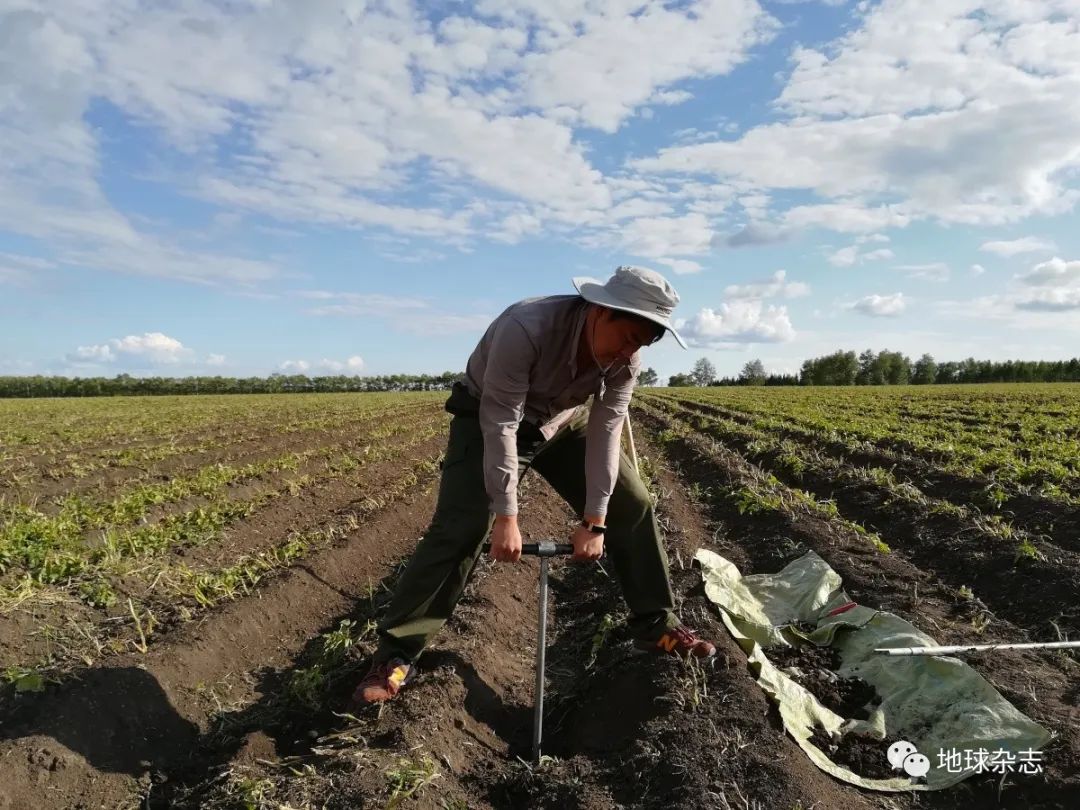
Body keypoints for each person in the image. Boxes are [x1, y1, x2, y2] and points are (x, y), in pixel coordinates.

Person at [351, 265, 716, 706]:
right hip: (488, 414)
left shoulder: (626, 361)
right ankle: (396, 654)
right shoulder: (526, 327)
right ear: (601, 311)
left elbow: (606, 434)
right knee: (464, 524)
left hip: (560, 421)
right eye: (627, 337)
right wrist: (507, 516)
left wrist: (596, 521)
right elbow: (501, 422)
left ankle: (655, 625)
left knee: (633, 502)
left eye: (642, 343)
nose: (629, 351)